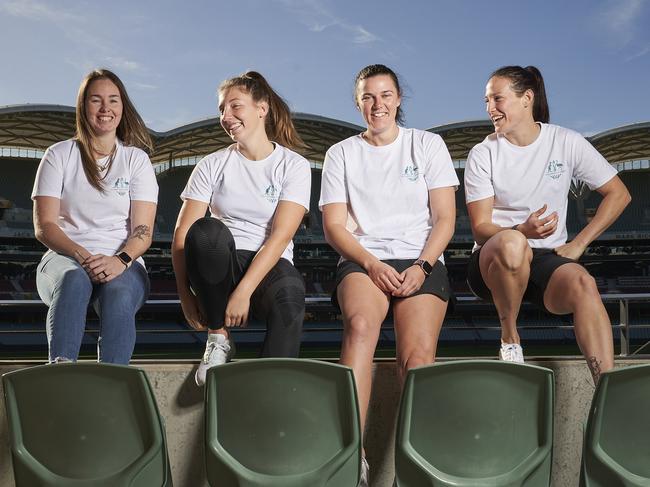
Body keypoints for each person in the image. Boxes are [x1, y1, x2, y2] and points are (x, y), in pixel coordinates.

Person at [319, 64, 457, 486]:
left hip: (422, 259)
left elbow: (445, 218)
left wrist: (422, 266)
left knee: (415, 360)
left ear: (398, 99)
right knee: (360, 326)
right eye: (367, 97)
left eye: (385, 95)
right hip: (365, 260)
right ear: (358, 103)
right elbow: (334, 227)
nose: (377, 104)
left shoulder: (428, 145)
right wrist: (372, 263)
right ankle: (353, 457)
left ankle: (411, 467)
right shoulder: (341, 153)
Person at [464, 65, 631, 383]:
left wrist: (579, 243)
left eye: (497, 99)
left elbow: (618, 194)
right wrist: (520, 231)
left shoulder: (566, 142)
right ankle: (509, 338)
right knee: (513, 245)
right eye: (486, 101)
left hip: (546, 257)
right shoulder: (483, 153)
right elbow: (481, 228)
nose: (490, 109)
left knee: (584, 284)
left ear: (527, 98)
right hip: (493, 259)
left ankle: (607, 388)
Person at [172, 71, 311, 386]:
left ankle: (270, 389)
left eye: (235, 106)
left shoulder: (294, 166)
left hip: (269, 264)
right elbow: (183, 235)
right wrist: (184, 296)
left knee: (290, 294)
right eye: (221, 109)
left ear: (262, 109)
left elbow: (280, 238)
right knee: (206, 232)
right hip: (222, 262)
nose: (226, 116)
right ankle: (219, 338)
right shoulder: (212, 164)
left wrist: (245, 291)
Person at [32, 69, 158, 364]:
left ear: (122, 108)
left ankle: (113, 386)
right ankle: (60, 377)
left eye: (113, 101)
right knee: (74, 278)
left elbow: (143, 229)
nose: (105, 109)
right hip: (65, 258)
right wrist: (83, 255)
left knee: (119, 292)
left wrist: (120, 260)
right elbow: (44, 225)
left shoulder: (136, 160)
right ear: (83, 106)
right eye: (96, 100)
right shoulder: (59, 154)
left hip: (123, 260)